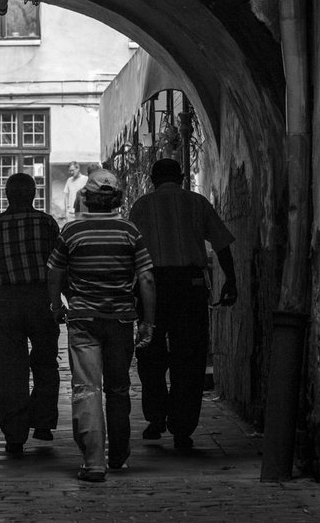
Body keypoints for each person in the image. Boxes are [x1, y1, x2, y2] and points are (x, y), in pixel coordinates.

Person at [46, 169, 156, 482]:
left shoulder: (71, 232)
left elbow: (54, 271)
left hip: (83, 321)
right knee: (119, 389)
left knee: (86, 389)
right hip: (121, 319)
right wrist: (148, 320)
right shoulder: (129, 231)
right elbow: (146, 277)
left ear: (87, 198)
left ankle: (94, 462)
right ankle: (119, 455)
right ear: (117, 199)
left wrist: (56, 306)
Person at [127, 158, 237, 450]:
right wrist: (232, 280)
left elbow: (130, 251)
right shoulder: (197, 203)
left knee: (150, 354)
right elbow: (221, 243)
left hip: (152, 288)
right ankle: (182, 427)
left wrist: (128, 290)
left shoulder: (141, 206)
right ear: (183, 176)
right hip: (189, 287)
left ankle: (155, 417)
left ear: (152, 178)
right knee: (189, 357)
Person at [0, 173, 62, 454]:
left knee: (10, 370)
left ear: (7, 196)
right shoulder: (47, 223)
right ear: (34, 195)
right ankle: (43, 422)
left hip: (8, 301)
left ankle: (14, 434)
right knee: (46, 361)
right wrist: (61, 302)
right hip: (41, 299)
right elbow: (59, 266)